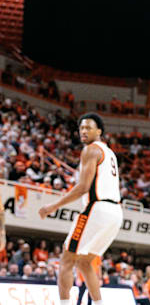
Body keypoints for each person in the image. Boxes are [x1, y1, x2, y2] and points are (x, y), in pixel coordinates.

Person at [37, 113, 123, 305]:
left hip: (97, 209)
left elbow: (83, 187)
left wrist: (53, 206)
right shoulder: (109, 153)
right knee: (84, 262)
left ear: (99, 131)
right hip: (116, 213)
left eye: (88, 128)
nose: (84, 131)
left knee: (66, 260)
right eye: (82, 128)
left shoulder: (90, 150)